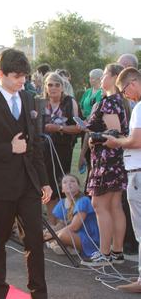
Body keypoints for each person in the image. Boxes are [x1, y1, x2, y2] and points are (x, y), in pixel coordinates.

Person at [0, 48, 52, 299]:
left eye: (24, 76)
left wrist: (44, 182)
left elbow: (34, 144)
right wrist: (9, 148)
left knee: (35, 241)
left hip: (28, 183)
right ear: (0, 74)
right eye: (16, 76)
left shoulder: (27, 99)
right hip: (0, 185)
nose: (22, 81)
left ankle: (39, 294)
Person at [82, 63, 130, 267]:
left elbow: (114, 135)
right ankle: (116, 252)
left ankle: (105, 253)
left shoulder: (110, 102)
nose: (101, 79)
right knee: (114, 205)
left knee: (100, 205)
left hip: (107, 161)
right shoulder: (118, 101)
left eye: (104, 75)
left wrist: (94, 136)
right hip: (114, 161)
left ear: (114, 78)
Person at [102, 67, 141, 292]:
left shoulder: (139, 108)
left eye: (124, 91)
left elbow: (136, 141)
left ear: (132, 84)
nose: (125, 96)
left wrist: (116, 142)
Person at [40, 72, 81, 224]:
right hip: (43, 150)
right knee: (47, 187)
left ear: (63, 87)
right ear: (45, 87)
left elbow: (78, 128)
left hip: (63, 150)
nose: (53, 88)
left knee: (62, 187)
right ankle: (52, 225)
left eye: (57, 85)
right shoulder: (41, 103)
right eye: (50, 84)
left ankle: (64, 225)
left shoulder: (70, 102)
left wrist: (59, 128)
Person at [46, 174, 100, 258]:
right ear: (62, 189)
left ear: (78, 187)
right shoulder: (62, 202)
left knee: (62, 235)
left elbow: (75, 226)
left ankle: (65, 245)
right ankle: (69, 247)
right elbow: (61, 224)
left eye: (72, 181)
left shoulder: (83, 200)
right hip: (76, 235)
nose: (69, 183)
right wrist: (48, 233)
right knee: (47, 232)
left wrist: (53, 236)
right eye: (65, 182)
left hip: (90, 238)